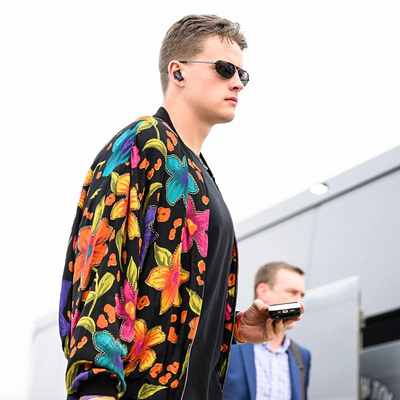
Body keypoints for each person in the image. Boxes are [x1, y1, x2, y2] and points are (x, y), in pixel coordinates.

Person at [58, 15, 304, 400]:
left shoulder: (202, 175)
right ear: (178, 72)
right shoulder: (143, 144)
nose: (237, 82)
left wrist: (236, 330)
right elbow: (101, 269)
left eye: (243, 74)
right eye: (225, 69)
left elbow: (173, 310)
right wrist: (98, 389)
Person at [223, 262, 311, 400]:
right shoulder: (227, 343)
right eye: (292, 292)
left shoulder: (302, 356)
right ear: (263, 291)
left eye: (302, 295)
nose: (300, 302)